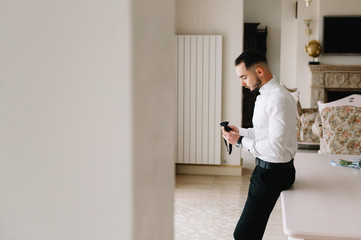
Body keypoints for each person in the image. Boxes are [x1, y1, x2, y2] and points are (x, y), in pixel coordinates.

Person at [221, 49, 297, 240]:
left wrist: (239, 141)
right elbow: (261, 134)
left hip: (273, 174)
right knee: (249, 232)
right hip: (267, 171)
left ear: (259, 72)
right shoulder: (265, 96)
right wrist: (239, 132)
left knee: (243, 234)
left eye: (244, 77)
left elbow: (275, 148)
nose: (242, 83)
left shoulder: (279, 99)